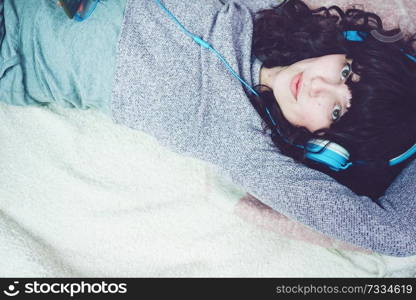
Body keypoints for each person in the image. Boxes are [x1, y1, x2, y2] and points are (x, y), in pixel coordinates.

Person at [0, 0, 415, 256]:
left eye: (337, 111)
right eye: (346, 71)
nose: (320, 85)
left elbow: (400, 235)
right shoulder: (265, 17)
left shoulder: (250, 152)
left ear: (327, 147)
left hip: (12, 44)